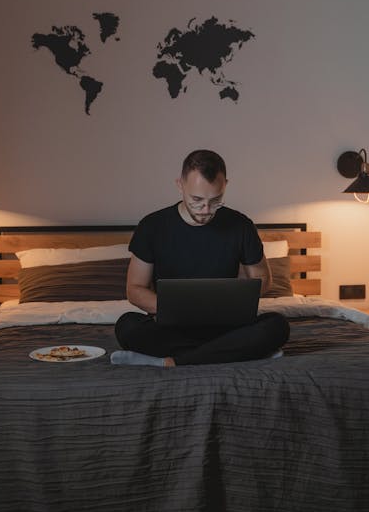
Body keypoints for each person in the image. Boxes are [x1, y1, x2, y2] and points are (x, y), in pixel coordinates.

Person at [112, 149, 290, 367]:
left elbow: (264, 280)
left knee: (276, 326)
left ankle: (174, 361)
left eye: (216, 200)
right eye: (196, 199)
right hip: (173, 329)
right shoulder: (152, 226)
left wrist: (231, 301)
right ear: (180, 184)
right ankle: (230, 353)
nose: (206, 210)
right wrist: (178, 309)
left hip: (227, 327)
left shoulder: (241, 225)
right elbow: (135, 289)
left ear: (226, 185)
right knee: (127, 325)